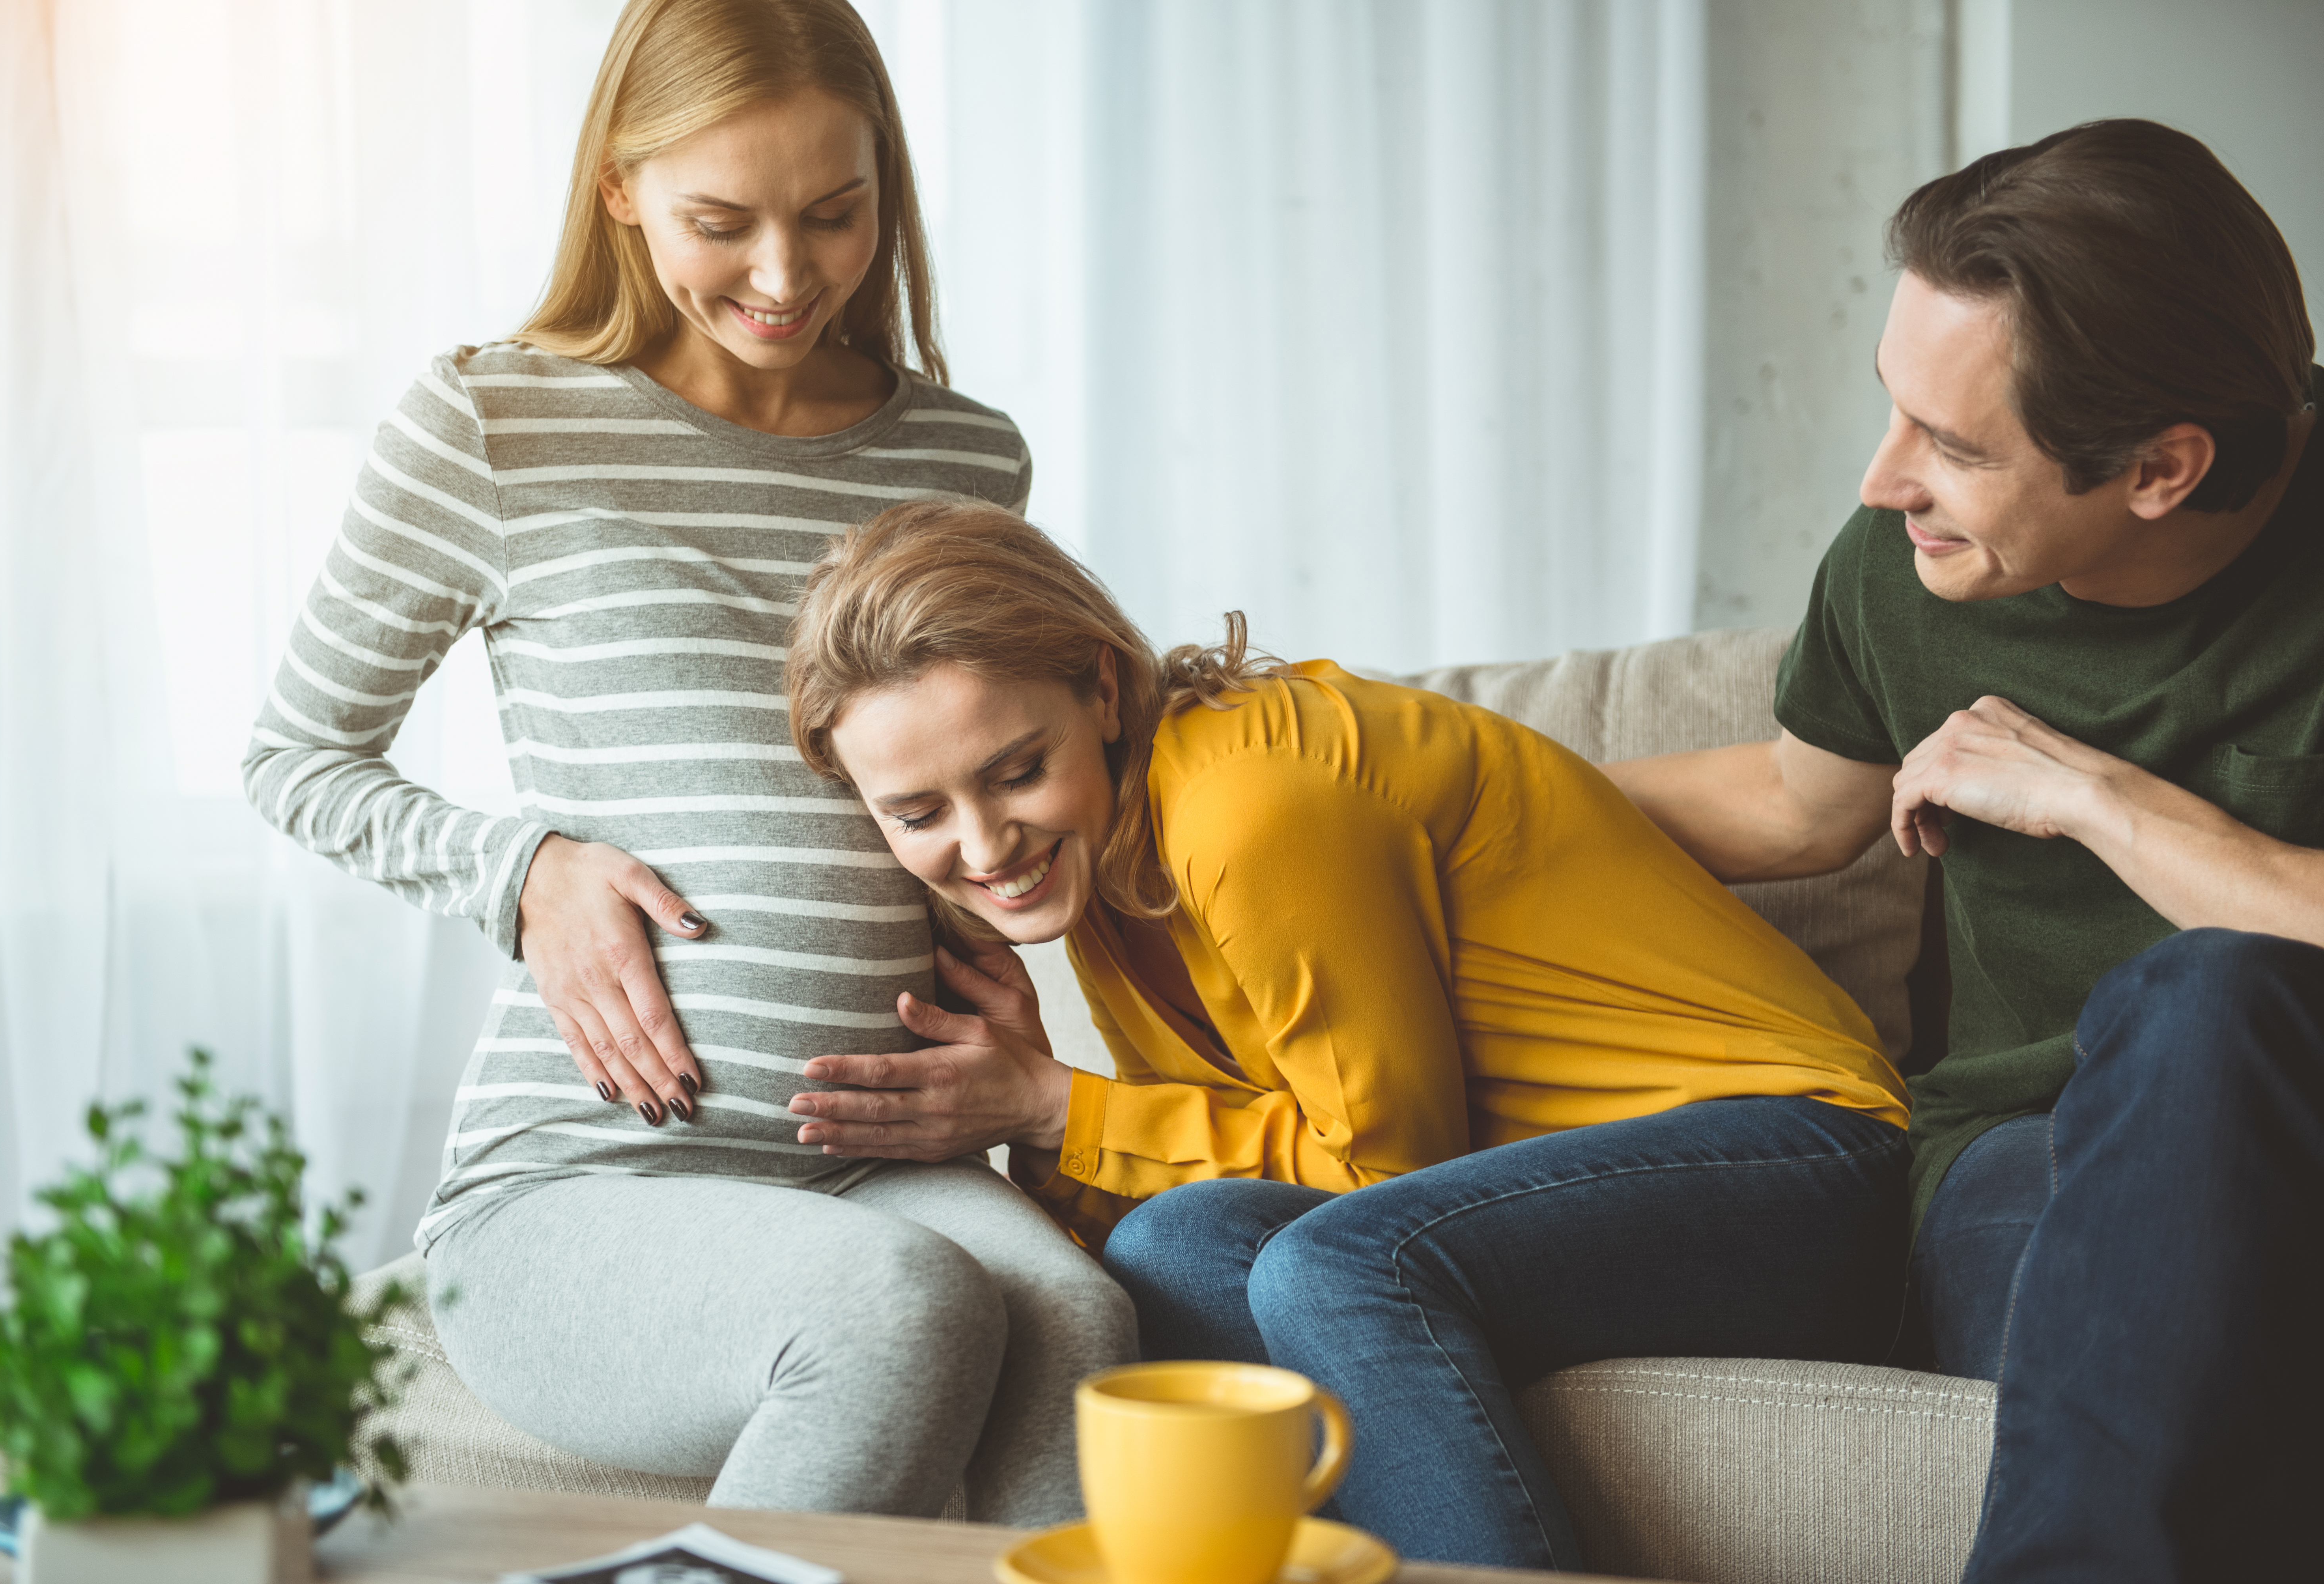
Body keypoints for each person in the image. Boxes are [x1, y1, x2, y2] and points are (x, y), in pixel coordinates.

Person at [241, 0, 1132, 1524]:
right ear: (620, 192)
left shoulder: (967, 457)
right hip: (590, 1181)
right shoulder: (496, 424)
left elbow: (994, 785)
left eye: (837, 215)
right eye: (721, 223)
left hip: (873, 1158)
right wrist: (529, 867)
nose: (786, 276)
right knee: (889, 1309)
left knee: (1080, 1325)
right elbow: (296, 756)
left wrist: (1010, 1007)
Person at [779, 499, 1913, 1569]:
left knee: (1337, 1265)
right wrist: (1039, 1113)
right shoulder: (1110, 879)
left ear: (1100, 691)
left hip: (1798, 1161)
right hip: (1547, 1213)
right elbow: (1206, 1172)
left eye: (1017, 772)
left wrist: (1056, 1107)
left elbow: (1385, 1176)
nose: (985, 850)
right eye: (919, 815)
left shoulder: (1243, 810)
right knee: (1176, 1245)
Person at [1603, 120, 2323, 1582]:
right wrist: (1439, 785)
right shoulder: (1914, 560)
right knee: (2166, 1357)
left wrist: (2095, 799)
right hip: (2028, 1158)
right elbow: (1803, 808)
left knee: (2207, 995)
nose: (1882, 482)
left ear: (2161, 469)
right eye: (1895, 409)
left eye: (1952, 443)